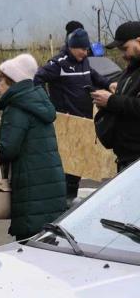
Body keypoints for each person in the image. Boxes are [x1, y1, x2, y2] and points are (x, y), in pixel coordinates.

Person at [0, 54, 67, 239]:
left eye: (1, 80)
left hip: (29, 187)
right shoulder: (39, 100)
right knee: (48, 243)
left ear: (12, 82)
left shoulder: (16, 107)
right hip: (50, 184)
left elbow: (8, 150)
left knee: (29, 245)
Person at [35, 28, 110, 201]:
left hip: (84, 121)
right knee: (66, 164)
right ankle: (61, 201)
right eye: (82, 49)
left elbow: (92, 74)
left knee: (78, 164)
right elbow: (38, 79)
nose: (85, 53)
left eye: (86, 49)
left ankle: (71, 197)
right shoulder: (58, 63)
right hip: (66, 122)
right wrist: (47, 102)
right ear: (72, 47)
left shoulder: (84, 61)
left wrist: (108, 84)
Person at [93, 21, 140, 172]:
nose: (123, 55)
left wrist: (111, 101)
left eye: (125, 49)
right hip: (126, 158)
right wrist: (109, 99)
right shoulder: (131, 68)